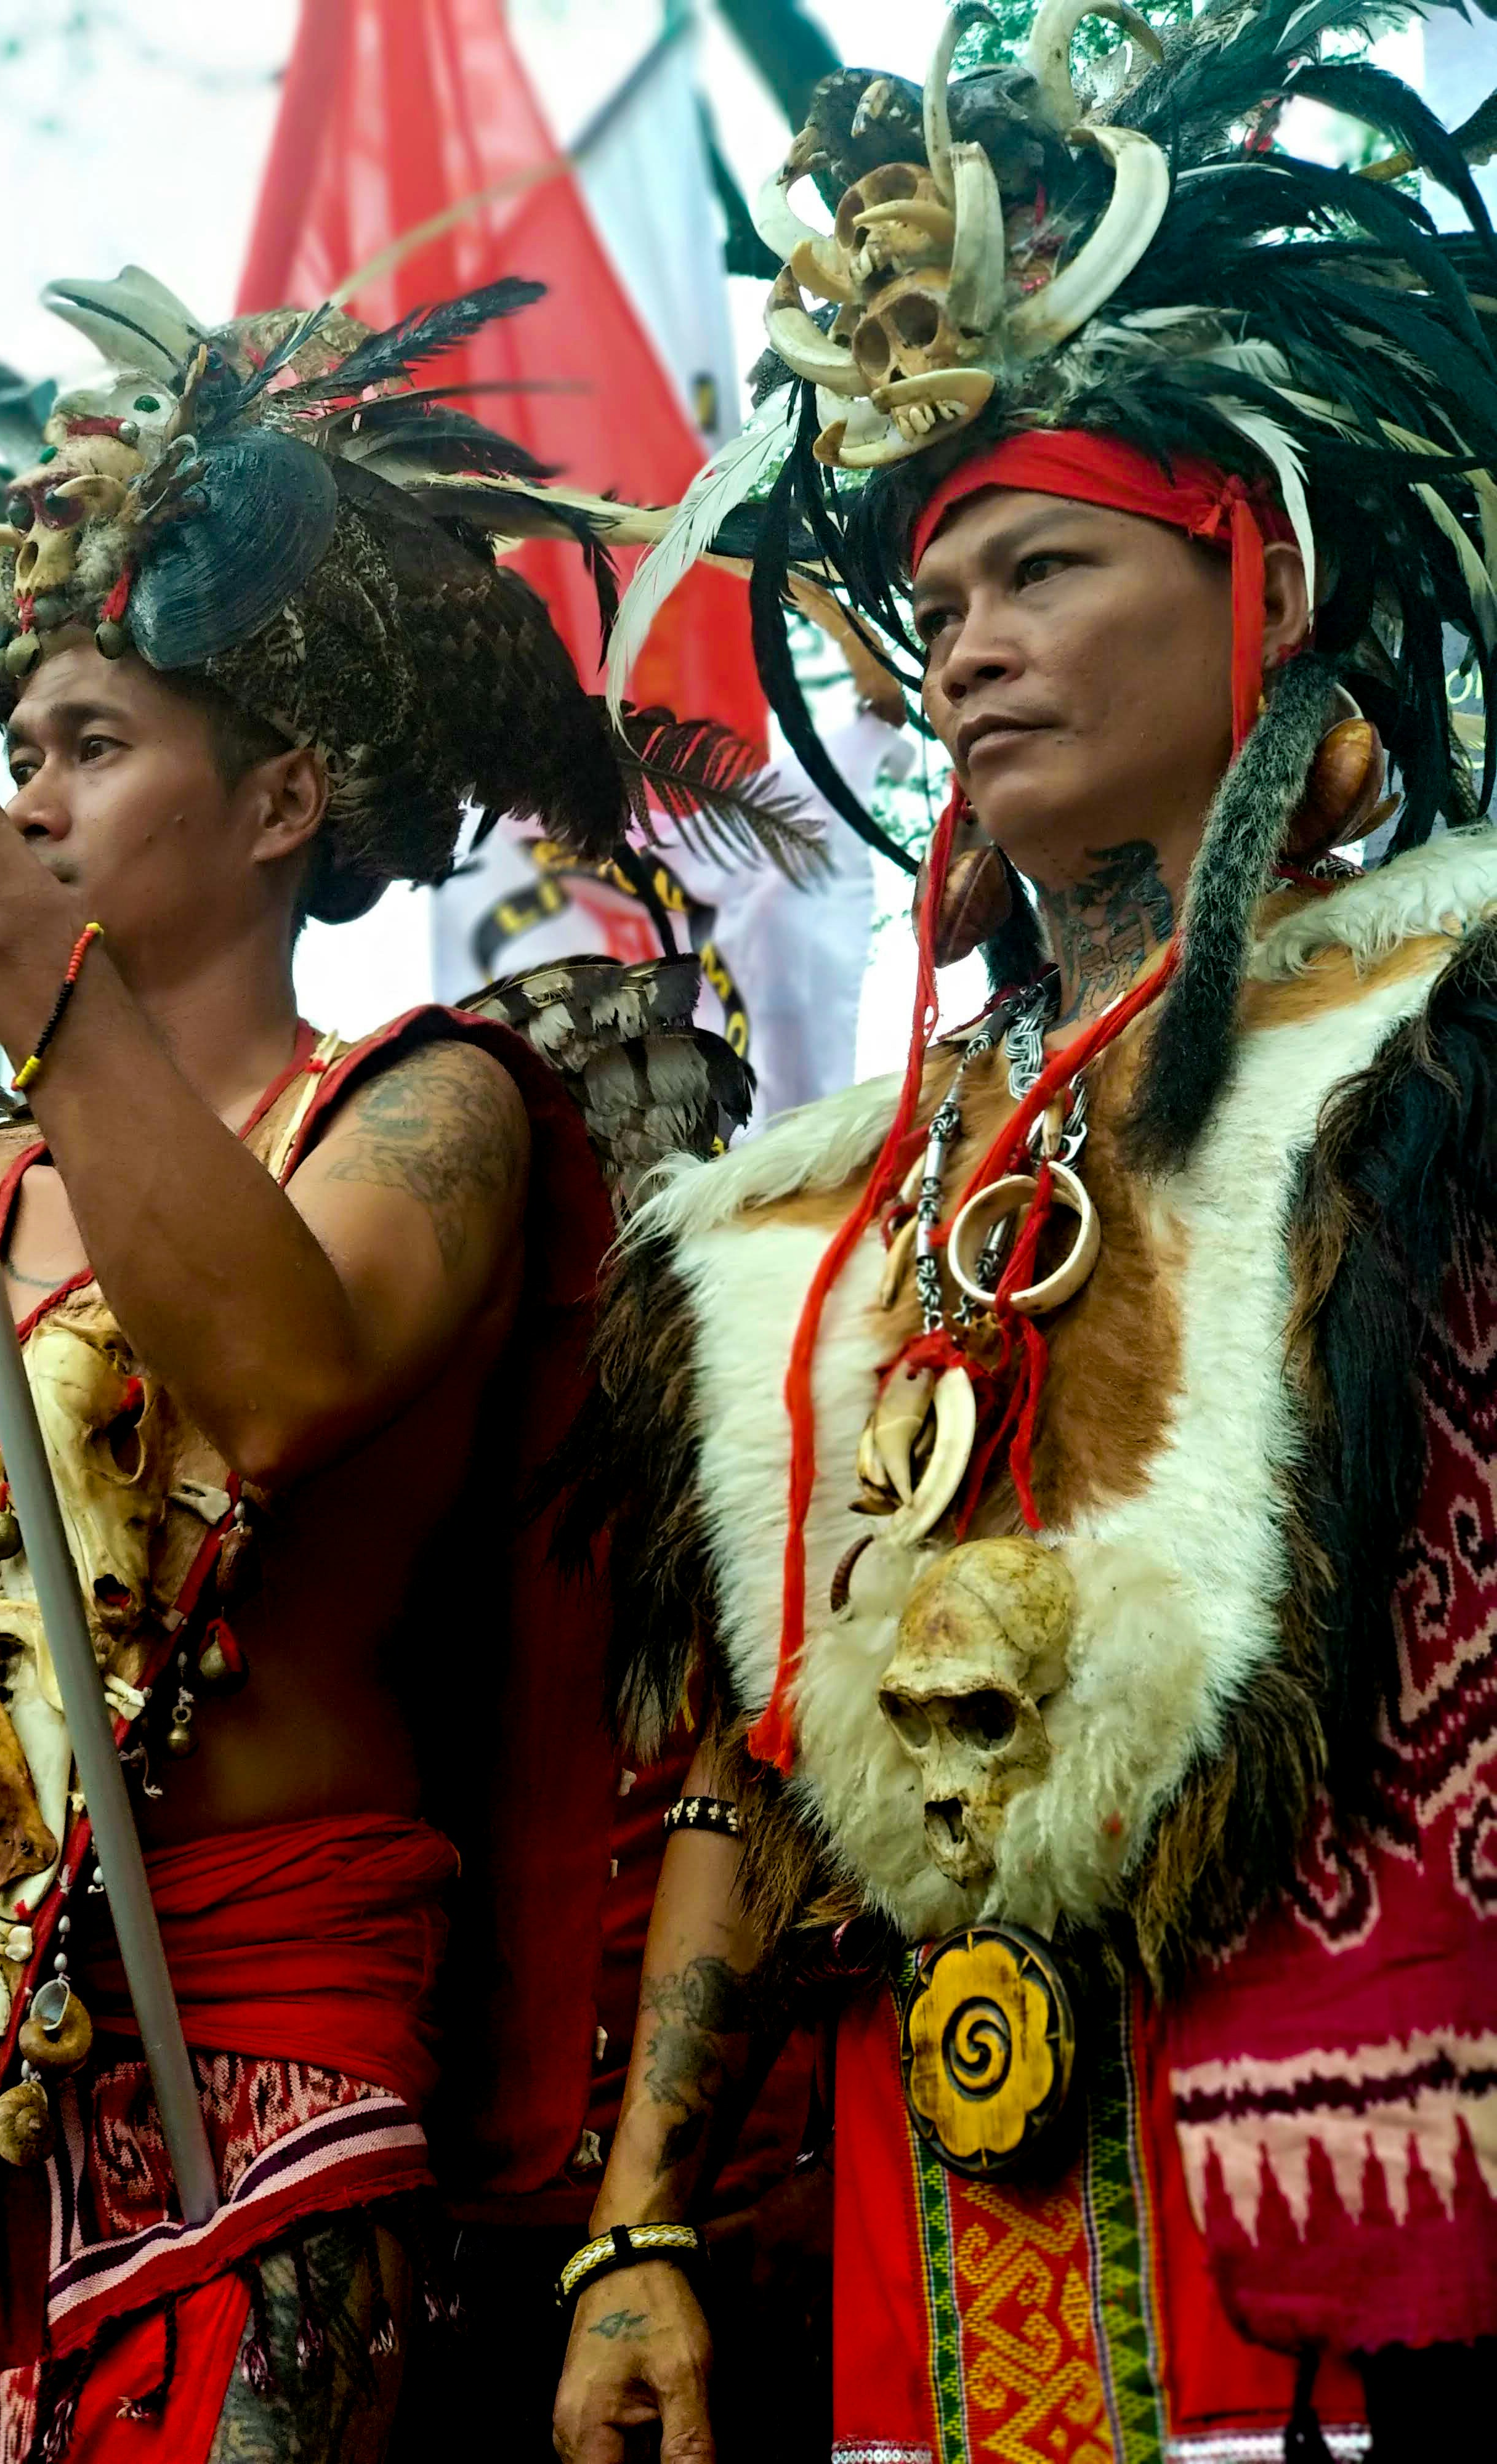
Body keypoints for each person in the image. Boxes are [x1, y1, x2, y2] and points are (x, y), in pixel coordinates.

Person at [0, 265, 799, 2464]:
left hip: (242, 2105)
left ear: (283, 802)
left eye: (94, 748)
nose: (38, 800)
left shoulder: (426, 1106)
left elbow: (275, 1388)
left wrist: (3, 930)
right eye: (18, 763)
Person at [553, 5, 1497, 2459]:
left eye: (1040, 568)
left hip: (1367, 2205)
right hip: (935, 2215)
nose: (960, 643)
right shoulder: (844, 1189)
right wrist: (644, 2222)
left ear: (1254, 584)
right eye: (936, 595)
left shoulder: (1447, 1039)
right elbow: (768, 1747)